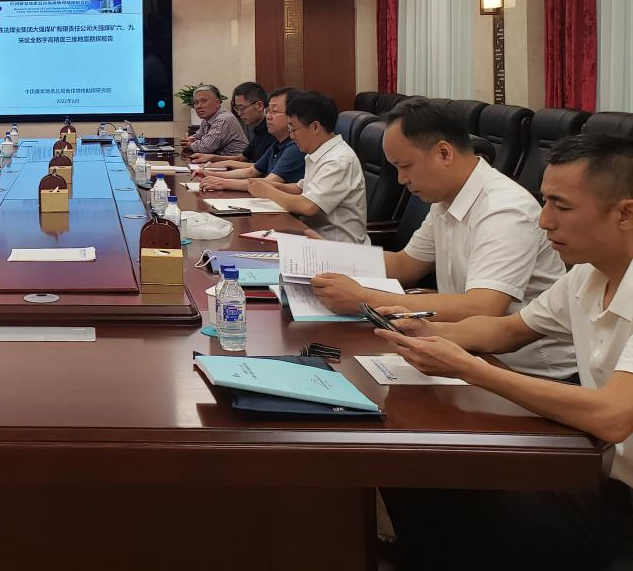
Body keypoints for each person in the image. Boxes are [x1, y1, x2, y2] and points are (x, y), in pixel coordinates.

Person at [375, 134, 633, 570]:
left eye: (561, 206)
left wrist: (470, 369)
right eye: (545, 201)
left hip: (621, 502)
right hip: (595, 469)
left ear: (625, 213)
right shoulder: (587, 274)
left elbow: (613, 415)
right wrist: (430, 332)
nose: (545, 220)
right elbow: (509, 330)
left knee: (463, 495)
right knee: (418, 470)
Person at [311, 98, 576, 379]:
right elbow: (405, 265)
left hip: (528, 371)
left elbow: (483, 307)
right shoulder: (446, 199)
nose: (401, 179)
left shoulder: (504, 209)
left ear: (444, 153)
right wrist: (324, 258)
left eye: (406, 166)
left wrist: (364, 299)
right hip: (466, 349)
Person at [246, 89, 368, 244]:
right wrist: (272, 185)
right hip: (312, 238)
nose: (291, 136)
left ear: (315, 127)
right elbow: (301, 188)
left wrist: (267, 191)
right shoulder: (318, 152)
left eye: (293, 129)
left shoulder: (338, 160)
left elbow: (308, 206)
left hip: (337, 248)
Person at [194, 86, 303, 192]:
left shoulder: (295, 147)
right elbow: (252, 171)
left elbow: (268, 183)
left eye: (274, 111)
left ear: (293, 116)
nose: (268, 116)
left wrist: (222, 183)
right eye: (268, 111)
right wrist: (211, 174)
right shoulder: (277, 143)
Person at [198, 82, 274, 164]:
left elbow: (262, 168)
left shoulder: (272, 131)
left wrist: (226, 163)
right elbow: (242, 158)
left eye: (242, 108)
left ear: (259, 106)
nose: (239, 113)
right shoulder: (259, 129)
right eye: (237, 108)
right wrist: (213, 158)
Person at [183, 84, 249, 161]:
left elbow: (205, 147)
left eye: (204, 101)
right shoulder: (207, 120)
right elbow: (198, 136)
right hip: (219, 161)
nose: (198, 106)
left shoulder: (223, 119)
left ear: (217, 102)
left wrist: (189, 145)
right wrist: (189, 140)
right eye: (196, 102)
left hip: (236, 163)